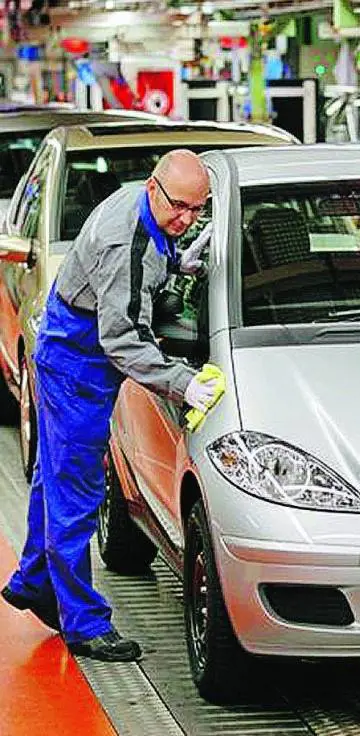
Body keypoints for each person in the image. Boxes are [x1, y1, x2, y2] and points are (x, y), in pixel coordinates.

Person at [1, 149, 222, 662]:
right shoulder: (125, 241)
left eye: (197, 209)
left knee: (53, 480)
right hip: (78, 364)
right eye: (179, 207)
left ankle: (34, 582)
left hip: (72, 348)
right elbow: (122, 343)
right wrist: (183, 383)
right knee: (76, 494)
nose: (186, 220)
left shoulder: (143, 207)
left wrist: (176, 260)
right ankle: (83, 624)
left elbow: (146, 261)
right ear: (153, 187)